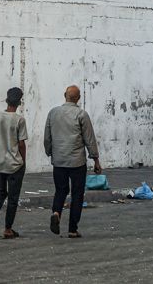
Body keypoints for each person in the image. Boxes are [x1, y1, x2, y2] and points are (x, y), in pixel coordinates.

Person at [44, 86, 101, 239]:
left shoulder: (53, 113)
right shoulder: (81, 114)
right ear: (78, 98)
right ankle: (72, 229)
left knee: (60, 190)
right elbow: (90, 139)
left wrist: (50, 152)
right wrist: (95, 159)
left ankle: (56, 212)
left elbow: (47, 137)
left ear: (65, 95)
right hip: (77, 162)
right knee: (77, 195)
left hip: (59, 160)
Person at [0, 87, 27, 239]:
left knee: (0, 193)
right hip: (14, 164)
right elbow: (21, 144)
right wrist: (23, 161)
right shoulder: (19, 120)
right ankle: (8, 229)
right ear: (19, 102)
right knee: (13, 198)